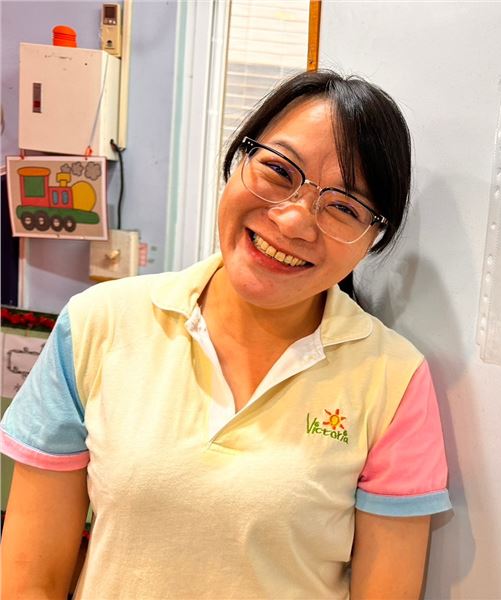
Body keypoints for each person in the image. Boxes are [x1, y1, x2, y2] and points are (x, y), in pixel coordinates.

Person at [0, 70, 451, 599]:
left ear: (372, 239)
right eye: (278, 171)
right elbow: (30, 580)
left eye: (344, 208)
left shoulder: (393, 379)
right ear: (240, 158)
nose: (293, 221)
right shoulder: (96, 325)